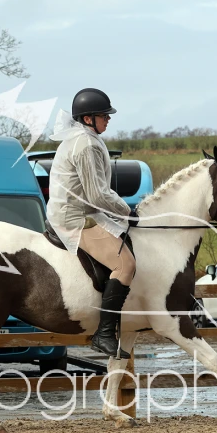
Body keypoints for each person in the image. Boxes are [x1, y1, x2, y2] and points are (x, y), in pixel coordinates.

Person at [46, 88, 137, 357]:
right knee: (126, 264)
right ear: (88, 119)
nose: (108, 119)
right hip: (76, 217)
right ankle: (104, 334)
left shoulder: (83, 138)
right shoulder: (85, 144)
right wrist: (127, 210)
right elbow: (97, 194)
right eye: (103, 116)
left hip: (81, 210)